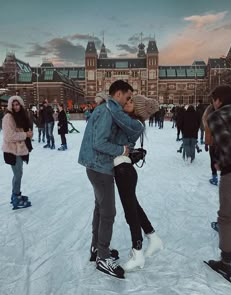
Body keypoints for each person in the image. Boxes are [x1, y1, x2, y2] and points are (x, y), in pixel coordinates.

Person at [79, 80, 140, 279]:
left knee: (100, 208)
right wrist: (122, 150)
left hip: (96, 166)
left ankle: (97, 248)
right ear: (119, 94)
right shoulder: (107, 111)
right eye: (128, 97)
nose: (128, 100)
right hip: (100, 167)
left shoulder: (107, 109)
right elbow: (99, 142)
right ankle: (102, 257)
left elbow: (107, 137)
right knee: (108, 212)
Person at [106, 95, 163, 272]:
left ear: (138, 109)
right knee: (134, 207)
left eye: (131, 102)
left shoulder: (135, 124)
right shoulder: (130, 121)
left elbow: (115, 114)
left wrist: (109, 102)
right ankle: (153, 238)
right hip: (123, 169)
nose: (127, 103)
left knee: (130, 212)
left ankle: (137, 252)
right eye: (128, 100)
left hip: (124, 171)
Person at [206, 85, 231, 281]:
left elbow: (229, 147)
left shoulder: (216, 116)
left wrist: (220, 162)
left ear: (218, 100)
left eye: (213, 100)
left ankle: (225, 263)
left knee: (225, 218)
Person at [1, 96, 32, 210]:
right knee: (18, 174)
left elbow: (23, 129)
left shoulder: (20, 116)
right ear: (10, 106)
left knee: (19, 173)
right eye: (13, 105)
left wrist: (28, 133)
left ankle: (16, 194)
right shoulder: (8, 117)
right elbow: (9, 136)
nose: (15, 107)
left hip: (19, 150)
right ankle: (15, 197)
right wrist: (25, 135)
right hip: (12, 151)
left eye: (17, 104)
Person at [202, 104, 218, 185]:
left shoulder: (209, 117)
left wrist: (206, 144)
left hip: (213, 143)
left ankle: (215, 177)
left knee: (213, 160)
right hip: (223, 142)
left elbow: (207, 131)